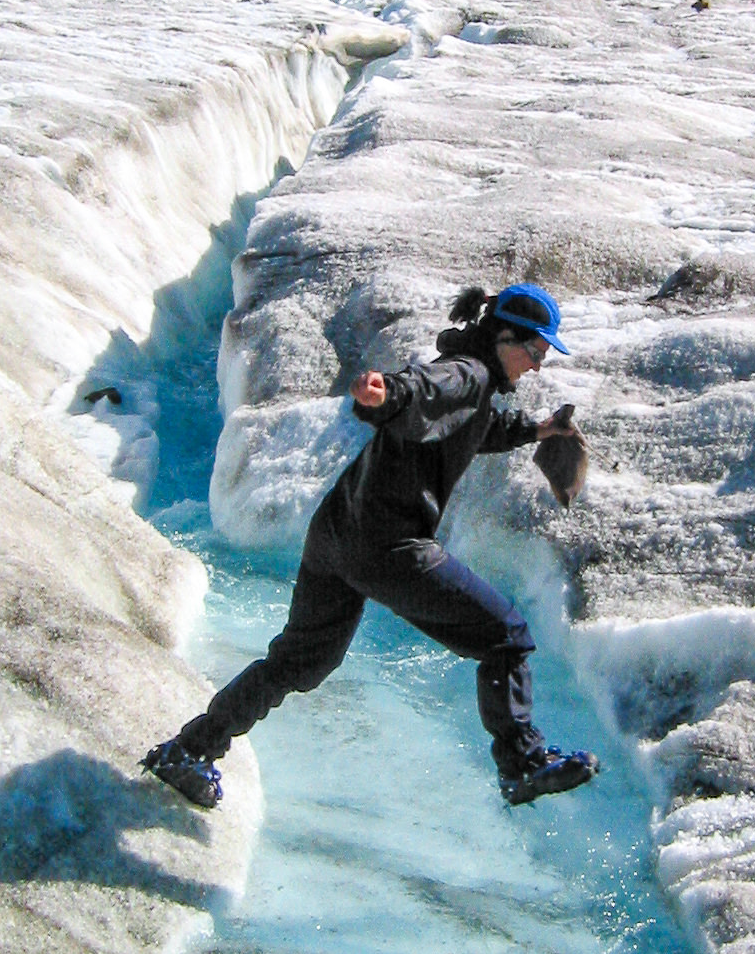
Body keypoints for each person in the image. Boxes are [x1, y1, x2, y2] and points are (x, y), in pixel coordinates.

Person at [145, 281, 599, 811]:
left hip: (337, 533)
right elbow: (423, 391)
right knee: (506, 635)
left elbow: (472, 424)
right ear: (503, 336)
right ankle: (522, 763)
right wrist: (386, 393)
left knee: (298, 661)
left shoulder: (472, 385)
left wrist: (537, 429)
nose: (539, 364)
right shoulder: (464, 376)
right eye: (537, 350)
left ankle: (189, 749)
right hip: (389, 543)